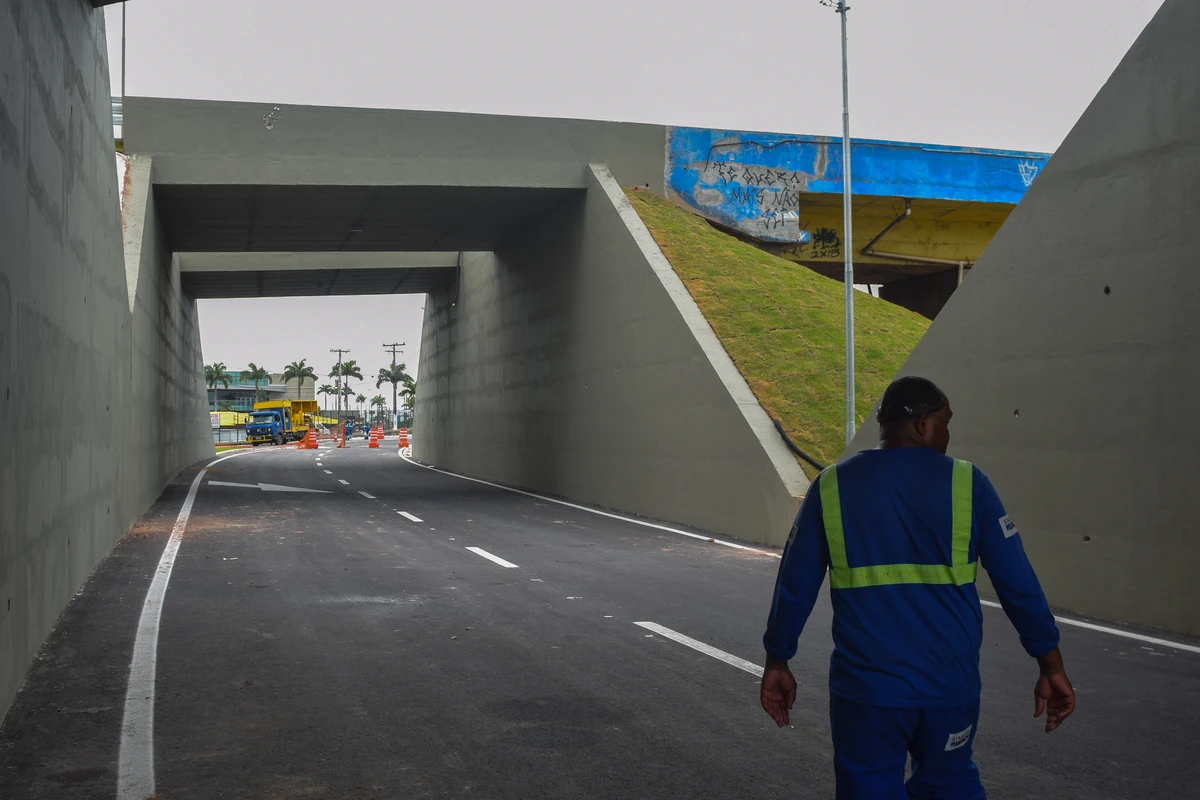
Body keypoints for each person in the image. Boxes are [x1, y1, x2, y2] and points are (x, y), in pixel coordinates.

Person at [760, 376, 1075, 799]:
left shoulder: (831, 486)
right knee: (949, 786)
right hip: (948, 692)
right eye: (946, 422)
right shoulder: (969, 484)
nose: (948, 434)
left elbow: (793, 586)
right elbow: (1018, 584)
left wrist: (778, 660)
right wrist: (1050, 665)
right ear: (924, 425)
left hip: (867, 695)